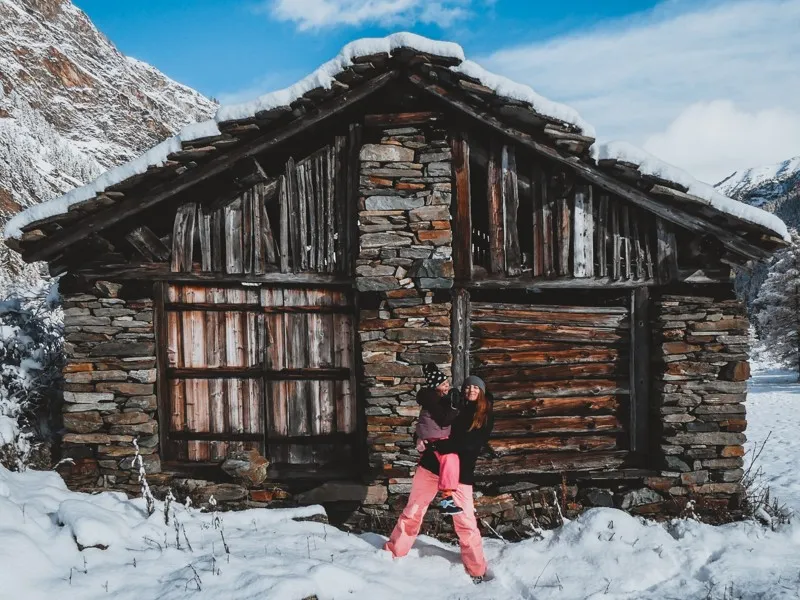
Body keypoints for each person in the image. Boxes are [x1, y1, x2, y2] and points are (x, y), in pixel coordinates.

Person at [384, 375, 494, 582]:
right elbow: (428, 421)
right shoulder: (452, 403)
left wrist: (442, 446)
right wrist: (419, 439)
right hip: (431, 467)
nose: (471, 390)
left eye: (475, 388)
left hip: (460, 474)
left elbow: (471, 443)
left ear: (482, 391)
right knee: (413, 511)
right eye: (468, 387)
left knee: (465, 522)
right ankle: (393, 552)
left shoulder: (485, 414)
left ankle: (477, 568)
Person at [415, 363, 463, 516]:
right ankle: (446, 498)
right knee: (451, 460)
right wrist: (455, 407)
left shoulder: (435, 399)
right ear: (436, 387)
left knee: (450, 461)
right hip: (435, 439)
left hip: (436, 439)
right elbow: (443, 420)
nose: (447, 386)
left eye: (447, 382)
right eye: (443, 384)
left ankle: (447, 498)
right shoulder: (432, 400)